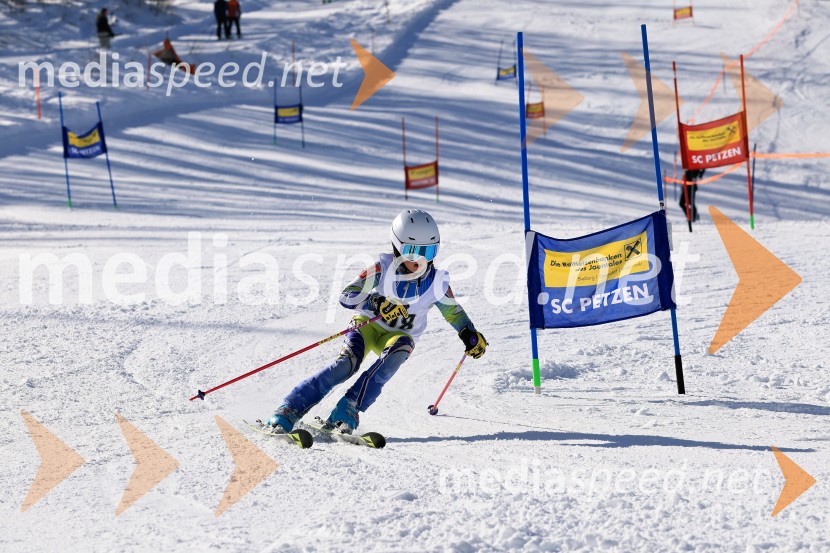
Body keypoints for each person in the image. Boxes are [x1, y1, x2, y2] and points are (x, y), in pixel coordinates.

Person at [265, 209, 488, 435]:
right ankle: (289, 409)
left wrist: (468, 334)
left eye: (428, 251)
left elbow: (454, 313)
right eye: (412, 252)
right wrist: (376, 302)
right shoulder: (382, 268)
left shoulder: (437, 282)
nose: (420, 260)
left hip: (399, 336)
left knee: (397, 352)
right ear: (397, 247)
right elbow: (347, 295)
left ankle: (348, 409)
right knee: (346, 365)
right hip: (367, 326)